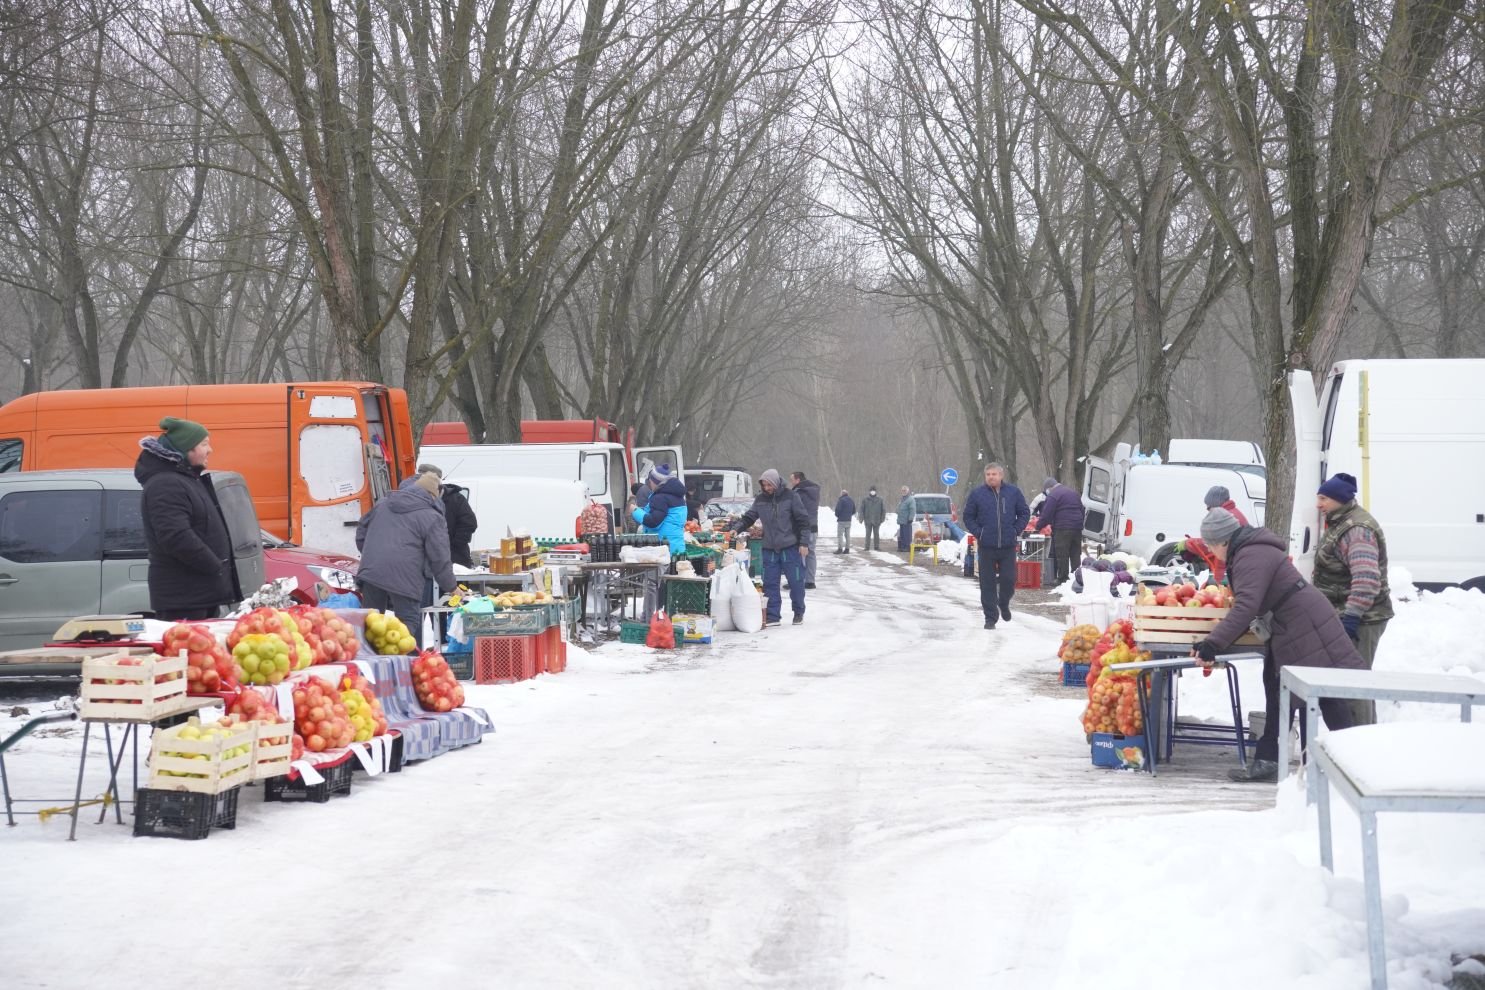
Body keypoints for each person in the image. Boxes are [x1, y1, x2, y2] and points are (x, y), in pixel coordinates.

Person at [1190, 508, 1363, 783]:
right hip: (1293, 622)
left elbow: (1247, 605)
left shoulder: (1249, 555)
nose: (1212, 552)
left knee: (1322, 695)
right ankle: (1272, 760)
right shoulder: (1249, 550)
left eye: (1211, 546)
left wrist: (1213, 643)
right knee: (1278, 687)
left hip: (1303, 624)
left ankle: (1350, 764)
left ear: (1222, 541)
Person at [134, 416, 243, 620]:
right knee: (186, 652)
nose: (210, 450)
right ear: (187, 449)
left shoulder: (185, 480)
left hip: (200, 594)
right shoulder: (166, 485)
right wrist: (214, 565)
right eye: (204, 444)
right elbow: (175, 536)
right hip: (183, 599)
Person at [1314, 472, 1393, 725]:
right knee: (1350, 682)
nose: (1319, 504)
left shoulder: (1357, 530)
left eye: (1324, 498)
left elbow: (1367, 578)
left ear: (1340, 499)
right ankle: (1360, 737)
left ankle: (1361, 741)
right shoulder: (1340, 522)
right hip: (1348, 615)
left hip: (1363, 620)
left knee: (1354, 683)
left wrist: (1351, 618)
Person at [355, 472, 456, 647]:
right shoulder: (432, 516)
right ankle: (406, 668)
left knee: (370, 624)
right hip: (405, 576)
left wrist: (373, 556)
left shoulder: (383, 504)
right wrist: (451, 587)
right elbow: (439, 556)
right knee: (406, 625)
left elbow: (361, 533)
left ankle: (370, 666)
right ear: (433, 495)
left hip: (372, 572)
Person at [731, 469, 811, 626]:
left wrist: (804, 543)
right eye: (764, 485)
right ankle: (773, 615)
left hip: (790, 546)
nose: (766, 488)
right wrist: (737, 527)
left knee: (795, 582)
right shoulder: (760, 499)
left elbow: (803, 521)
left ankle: (798, 612)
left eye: (769, 485)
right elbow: (750, 516)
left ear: (776, 483)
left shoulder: (791, 496)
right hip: (769, 547)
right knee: (770, 583)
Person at [962, 463, 1030, 628]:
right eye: (988, 474)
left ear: (1001, 475)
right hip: (986, 546)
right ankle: (990, 618)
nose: (991, 477)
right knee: (987, 583)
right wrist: (979, 532)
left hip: (1007, 545)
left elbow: (1024, 512)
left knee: (1009, 579)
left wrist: (1016, 530)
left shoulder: (1013, 492)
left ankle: (1004, 602)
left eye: (994, 474)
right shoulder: (977, 494)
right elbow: (968, 516)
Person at [417, 463, 479, 568]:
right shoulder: (419, 498)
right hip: (426, 561)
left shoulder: (456, 499)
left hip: (455, 559)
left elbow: (469, 523)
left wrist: (452, 544)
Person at [1034, 476, 1085, 586]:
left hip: (1063, 527)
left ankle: (1062, 578)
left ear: (1049, 487)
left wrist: (1037, 527)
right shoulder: (1073, 493)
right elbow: (1082, 509)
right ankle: (1077, 577)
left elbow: (1046, 515)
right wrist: (1080, 524)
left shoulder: (1053, 495)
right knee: (1075, 552)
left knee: (1062, 553)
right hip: (1077, 526)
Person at [631, 464, 688, 555]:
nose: (649, 482)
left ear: (656, 482)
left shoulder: (660, 497)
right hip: (677, 548)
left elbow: (654, 523)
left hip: (663, 550)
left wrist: (635, 511)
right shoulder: (679, 497)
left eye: (650, 480)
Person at [790, 471, 821, 588]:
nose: (791, 483)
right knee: (811, 553)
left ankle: (797, 580)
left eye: (792, 480)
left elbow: (795, 510)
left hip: (801, 527)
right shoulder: (814, 491)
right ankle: (810, 581)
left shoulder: (798, 492)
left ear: (798, 480)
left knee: (797, 553)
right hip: (813, 526)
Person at [860, 486, 886, 551]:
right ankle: (867, 547)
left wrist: (882, 519)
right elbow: (862, 509)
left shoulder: (880, 500)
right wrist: (861, 518)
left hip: (877, 520)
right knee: (868, 534)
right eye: (871, 490)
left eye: (874, 490)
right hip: (868, 519)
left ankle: (876, 546)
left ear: (876, 491)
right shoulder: (865, 500)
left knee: (876, 534)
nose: (872, 491)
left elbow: (883, 510)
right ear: (869, 491)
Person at [895, 486, 916, 551]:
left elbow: (912, 509)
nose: (903, 492)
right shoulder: (902, 499)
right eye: (902, 490)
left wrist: (910, 518)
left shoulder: (910, 499)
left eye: (905, 490)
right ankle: (902, 546)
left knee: (907, 534)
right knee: (902, 534)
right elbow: (899, 507)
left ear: (908, 491)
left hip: (907, 520)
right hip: (901, 520)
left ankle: (907, 547)